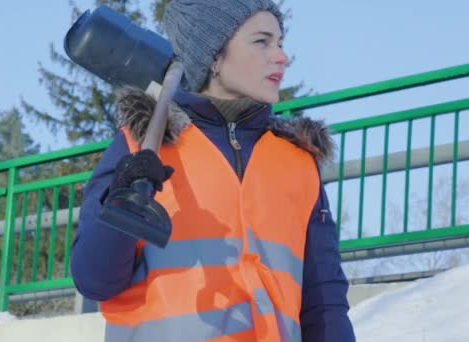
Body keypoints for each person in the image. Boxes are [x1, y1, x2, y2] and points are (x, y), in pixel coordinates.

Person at [71, 0, 355, 340]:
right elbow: (94, 279)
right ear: (214, 56)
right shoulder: (141, 146)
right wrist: (121, 198)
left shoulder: (297, 161)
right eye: (262, 41)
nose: (281, 56)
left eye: (280, 42)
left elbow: (324, 302)